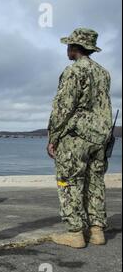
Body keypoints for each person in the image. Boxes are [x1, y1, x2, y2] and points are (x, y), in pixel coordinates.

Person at [47, 28, 113, 248]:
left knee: (68, 181)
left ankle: (75, 232)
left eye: (69, 45)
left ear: (75, 48)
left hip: (77, 136)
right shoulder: (104, 73)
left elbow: (63, 108)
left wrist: (53, 137)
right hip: (100, 137)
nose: (67, 49)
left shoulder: (74, 71)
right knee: (95, 182)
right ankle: (97, 231)